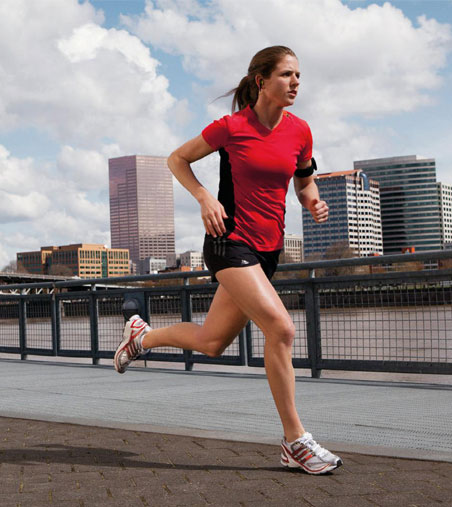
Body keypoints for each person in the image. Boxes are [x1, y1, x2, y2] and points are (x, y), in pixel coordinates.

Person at [114, 46, 342, 475]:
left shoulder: (301, 131)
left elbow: (304, 181)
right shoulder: (232, 127)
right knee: (281, 328)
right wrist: (204, 197)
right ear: (261, 80)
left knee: (212, 343)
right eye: (287, 75)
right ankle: (295, 441)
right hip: (229, 243)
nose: (296, 83)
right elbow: (176, 159)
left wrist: (314, 204)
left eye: (299, 76)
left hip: (268, 251)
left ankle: (140, 337)